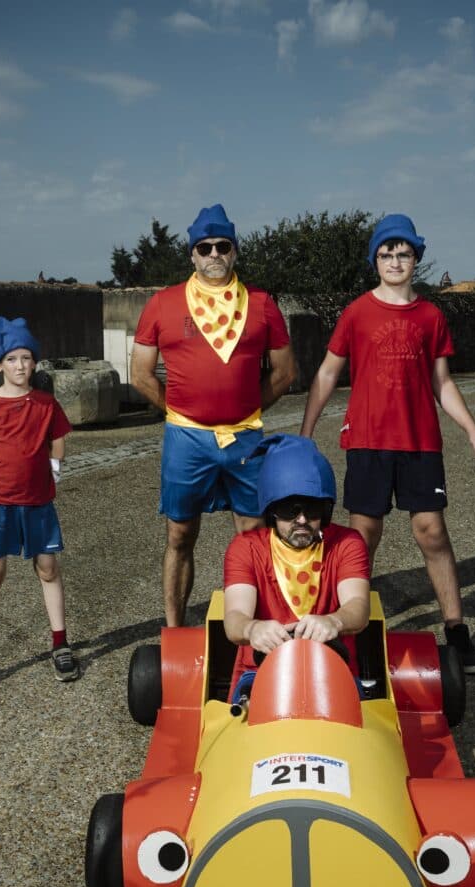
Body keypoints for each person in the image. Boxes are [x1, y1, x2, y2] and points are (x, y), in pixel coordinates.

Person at [300, 213, 475, 673]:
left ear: (416, 259)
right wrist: (305, 434)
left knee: (432, 532)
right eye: (386, 253)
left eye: (403, 253)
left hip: (420, 442)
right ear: (375, 260)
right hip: (367, 442)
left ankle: (456, 632)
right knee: (363, 537)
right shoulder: (357, 312)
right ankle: (347, 631)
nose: (395, 260)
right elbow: (327, 373)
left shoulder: (431, 315)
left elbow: (441, 383)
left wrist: (473, 430)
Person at [131, 203, 297, 627]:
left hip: (245, 435)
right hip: (186, 438)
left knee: (254, 534)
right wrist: (181, 409)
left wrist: (247, 409)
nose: (213, 254)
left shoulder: (261, 304)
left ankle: (261, 623)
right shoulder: (163, 304)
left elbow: (285, 372)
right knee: (180, 534)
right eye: (204, 248)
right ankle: (173, 628)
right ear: (192, 254)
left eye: (223, 246)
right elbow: (140, 374)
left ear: (235, 251)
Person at [0, 316, 79, 695]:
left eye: (27, 358)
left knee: (47, 569)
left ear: (34, 363)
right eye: (12, 359)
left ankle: (60, 644)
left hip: (39, 505)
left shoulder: (45, 403)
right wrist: (1, 466)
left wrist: (53, 467)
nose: (21, 365)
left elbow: (57, 441)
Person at [223, 434, 371, 696]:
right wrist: (252, 628)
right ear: (272, 510)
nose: (301, 519)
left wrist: (334, 621)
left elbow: (358, 608)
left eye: (312, 508)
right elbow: (234, 619)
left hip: (332, 672)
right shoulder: (245, 547)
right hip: (259, 675)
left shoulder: (348, 543)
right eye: (290, 509)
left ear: (324, 511)